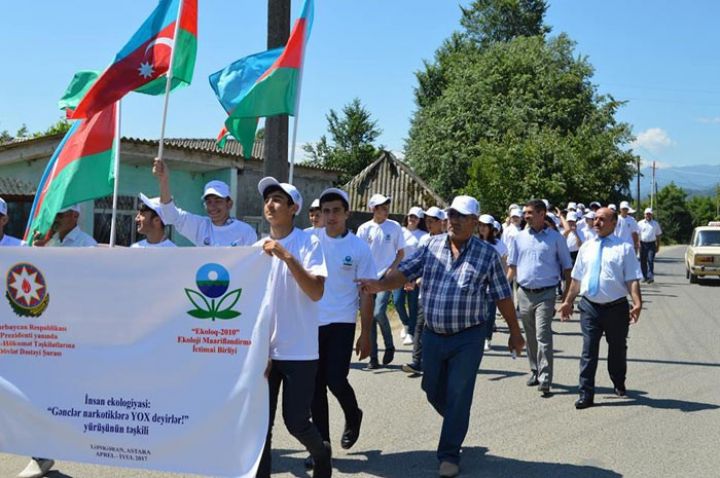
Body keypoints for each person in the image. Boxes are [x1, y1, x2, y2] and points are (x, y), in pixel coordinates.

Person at [358, 195, 525, 478]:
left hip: (468, 337)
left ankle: (449, 453)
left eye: (461, 216)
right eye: (451, 215)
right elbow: (406, 272)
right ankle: (457, 421)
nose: (454, 220)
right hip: (433, 336)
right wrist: (380, 284)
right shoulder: (431, 245)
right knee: (431, 388)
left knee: (459, 391)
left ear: (474, 221)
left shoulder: (487, 255)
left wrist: (515, 332)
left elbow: (502, 296)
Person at [254, 177, 331, 478]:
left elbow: (316, 292)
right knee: (261, 426)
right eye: (267, 200)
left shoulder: (309, 242)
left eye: (277, 200)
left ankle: (321, 453)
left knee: (297, 422)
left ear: (293, 208)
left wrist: (286, 256)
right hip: (264, 352)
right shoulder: (255, 248)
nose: (270, 205)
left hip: (299, 351)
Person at [21, 204, 96, 478]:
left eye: (61, 215)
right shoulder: (48, 242)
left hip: (73, 327)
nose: (56, 219)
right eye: (55, 215)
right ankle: (40, 453)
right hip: (45, 326)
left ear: (75, 216)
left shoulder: (86, 245)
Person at [307, 187, 376, 469]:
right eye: (326, 211)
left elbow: (367, 292)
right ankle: (321, 448)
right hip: (311, 322)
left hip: (342, 322)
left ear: (347, 213)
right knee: (314, 387)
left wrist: (366, 333)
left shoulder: (358, 247)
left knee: (335, 379)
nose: (331, 216)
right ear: (319, 214)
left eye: (336, 210)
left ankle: (353, 413)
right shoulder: (310, 240)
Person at [559, 207, 643, 409]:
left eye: (602, 219)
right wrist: (568, 301)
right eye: (595, 219)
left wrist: (638, 302)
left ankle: (618, 380)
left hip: (616, 308)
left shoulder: (624, 248)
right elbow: (576, 279)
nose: (597, 222)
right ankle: (586, 394)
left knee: (617, 349)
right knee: (589, 350)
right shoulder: (586, 248)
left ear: (614, 223)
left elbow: (632, 278)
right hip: (589, 307)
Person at [507, 199, 573, 396]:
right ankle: (535, 369)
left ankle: (545, 377)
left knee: (543, 334)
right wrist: (503, 288)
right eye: (525, 213)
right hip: (524, 293)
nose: (526, 216)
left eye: (529, 213)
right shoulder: (519, 238)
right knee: (530, 335)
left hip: (546, 293)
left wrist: (567, 298)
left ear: (542, 214)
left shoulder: (555, 238)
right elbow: (512, 267)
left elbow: (567, 268)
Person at [152, 158, 256, 246]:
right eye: (209, 202)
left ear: (229, 204)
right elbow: (170, 215)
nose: (213, 206)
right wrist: (163, 180)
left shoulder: (245, 231)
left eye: (218, 201)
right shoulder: (201, 226)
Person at [356, 193, 405, 369]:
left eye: (386, 207)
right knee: (369, 318)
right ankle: (373, 358)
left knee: (378, 312)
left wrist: (393, 268)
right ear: (373, 209)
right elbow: (359, 254)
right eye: (382, 207)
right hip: (368, 278)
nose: (386, 210)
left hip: (386, 277)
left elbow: (401, 253)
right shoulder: (364, 229)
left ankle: (389, 345)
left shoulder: (395, 227)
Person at [402, 206, 446, 376]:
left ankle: (439, 362)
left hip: (442, 295)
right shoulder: (424, 241)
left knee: (438, 330)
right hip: (425, 293)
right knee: (420, 327)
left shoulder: (448, 242)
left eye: (432, 221)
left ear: (441, 222)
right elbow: (418, 265)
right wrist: (412, 280)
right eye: (427, 221)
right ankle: (416, 362)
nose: (429, 224)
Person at [395, 207, 427, 345]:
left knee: (413, 304)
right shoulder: (400, 232)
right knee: (397, 301)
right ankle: (406, 323)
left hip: (414, 272)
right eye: (410, 216)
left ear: (419, 220)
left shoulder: (422, 235)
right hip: (399, 271)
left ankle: (410, 332)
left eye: (415, 217)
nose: (412, 219)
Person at [478, 214, 508, 351]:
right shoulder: (473, 242)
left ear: (491, 228)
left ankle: (487, 338)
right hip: (476, 284)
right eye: (480, 225)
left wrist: (504, 280)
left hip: (492, 284)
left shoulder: (499, 244)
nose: (482, 228)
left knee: (489, 314)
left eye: (485, 226)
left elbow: (504, 263)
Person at [637, 208, 662, 284]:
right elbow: (637, 234)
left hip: (651, 244)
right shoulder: (640, 223)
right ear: (644, 215)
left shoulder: (655, 224)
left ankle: (650, 276)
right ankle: (645, 276)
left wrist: (658, 245)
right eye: (646, 214)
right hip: (642, 244)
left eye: (649, 214)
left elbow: (658, 235)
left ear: (651, 215)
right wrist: (638, 244)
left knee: (650, 260)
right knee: (643, 261)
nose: (648, 215)